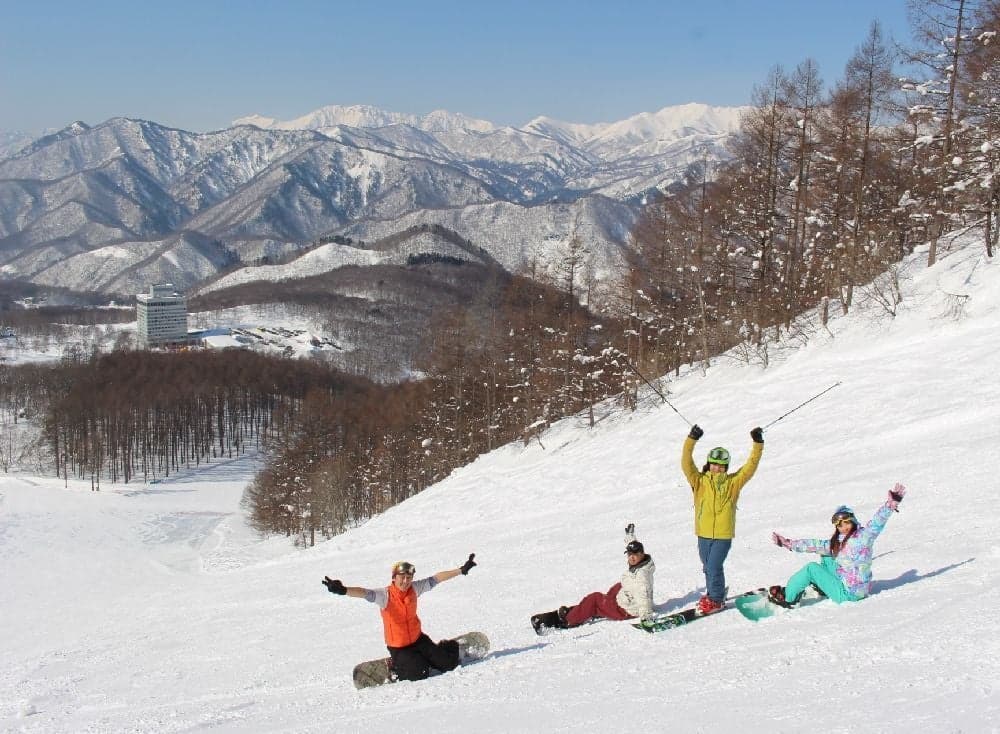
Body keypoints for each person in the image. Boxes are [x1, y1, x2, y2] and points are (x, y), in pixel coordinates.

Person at [322, 553, 477, 681]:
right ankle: (394, 665)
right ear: (394, 577)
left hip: (418, 639)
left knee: (448, 664)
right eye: (401, 577)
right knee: (419, 673)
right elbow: (364, 592)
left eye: (408, 578)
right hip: (399, 647)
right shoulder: (385, 595)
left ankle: (442, 650)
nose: (405, 581)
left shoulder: (415, 588)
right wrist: (343, 590)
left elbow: (436, 579)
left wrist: (461, 570)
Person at [769, 483, 907, 606]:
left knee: (811, 568)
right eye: (839, 525)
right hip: (855, 587)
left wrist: (890, 505)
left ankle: (788, 598)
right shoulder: (838, 543)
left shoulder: (864, 536)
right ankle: (823, 586)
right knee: (826, 555)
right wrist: (787, 543)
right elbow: (814, 545)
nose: (843, 527)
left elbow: (877, 523)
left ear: (853, 521)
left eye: (846, 522)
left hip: (849, 595)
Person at [681, 424, 764, 614]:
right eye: (714, 464)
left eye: (721, 466)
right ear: (709, 464)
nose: (717, 468)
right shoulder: (699, 481)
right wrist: (691, 439)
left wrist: (757, 443)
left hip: (723, 535)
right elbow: (686, 462)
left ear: (726, 467)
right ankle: (712, 594)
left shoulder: (733, 483)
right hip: (703, 534)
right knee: (708, 567)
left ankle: (716, 600)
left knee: (713, 566)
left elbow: (750, 467)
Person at [531, 524, 654, 632]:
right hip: (628, 598)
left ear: (641, 554)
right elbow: (633, 546)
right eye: (629, 555)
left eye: (635, 555)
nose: (631, 558)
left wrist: (646, 617)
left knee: (594, 598)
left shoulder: (641, 578)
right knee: (616, 588)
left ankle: (568, 620)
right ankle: (591, 609)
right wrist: (630, 536)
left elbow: (644, 596)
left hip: (626, 610)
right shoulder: (644, 561)